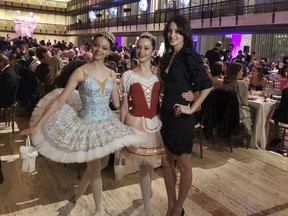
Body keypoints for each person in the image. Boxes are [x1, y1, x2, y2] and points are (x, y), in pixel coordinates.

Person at [19, 30, 144, 216]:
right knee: (95, 168)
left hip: (106, 122)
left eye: (104, 48)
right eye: (96, 45)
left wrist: (126, 92)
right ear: (91, 45)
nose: (99, 50)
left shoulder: (111, 73)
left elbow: (117, 103)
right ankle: (99, 210)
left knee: (100, 164)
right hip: (87, 124)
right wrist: (37, 125)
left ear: (109, 51)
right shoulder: (81, 71)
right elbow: (60, 100)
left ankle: (78, 193)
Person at [160, 15, 213, 216]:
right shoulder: (167, 55)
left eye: (177, 31)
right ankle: (171, 204)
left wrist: (192, 106)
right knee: (167, 162)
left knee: (183, 163)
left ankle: (178, 208)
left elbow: (207, 85)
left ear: (184, 33)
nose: (172, 35)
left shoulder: (189, 55)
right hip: (166, 114)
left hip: (181, 117)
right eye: (170, 31)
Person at [120, 32, 165, 216]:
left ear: (153, 51)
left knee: (149, 165)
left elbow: (161, 102)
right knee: (144, 166)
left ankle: (147, 197)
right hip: (135, 123)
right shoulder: (128, 75)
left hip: (156, 124)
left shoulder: (158, 76)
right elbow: (124, 106)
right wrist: (121, 130)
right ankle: (147, 207)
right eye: (139, 47)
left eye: (146, 48)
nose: (141, 51)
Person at [220, 62, 253, 136]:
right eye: (241, 71)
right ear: (237, 72)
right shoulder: (240, 83)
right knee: (255, 111)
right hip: (235, 111)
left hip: (222, 110)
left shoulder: (224, 82)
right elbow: (245, 102)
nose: (242, 72)